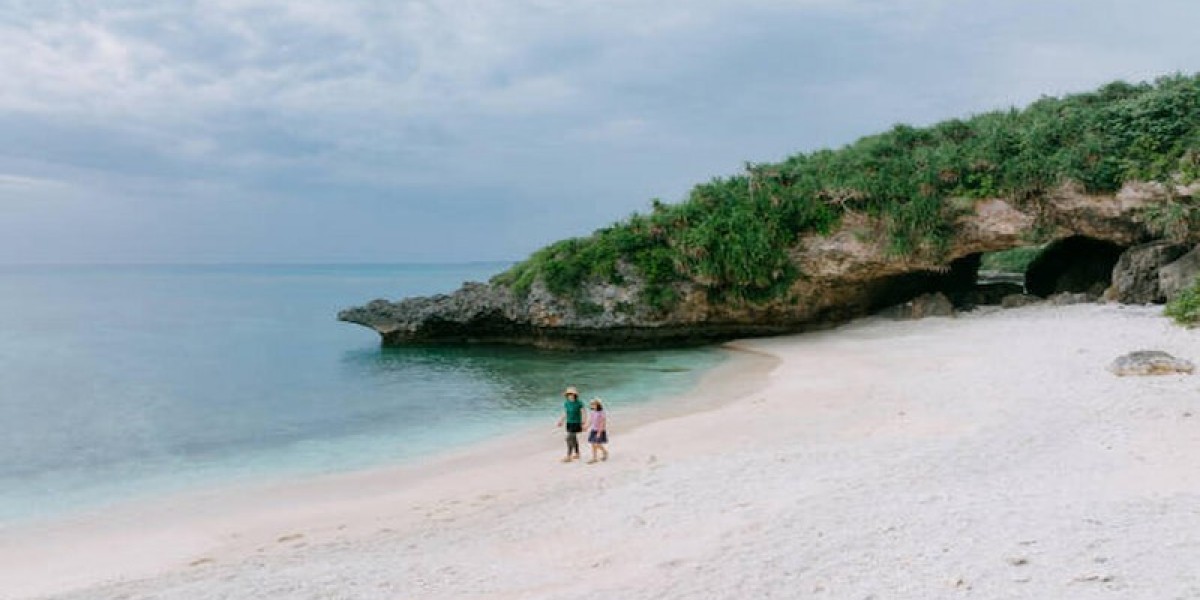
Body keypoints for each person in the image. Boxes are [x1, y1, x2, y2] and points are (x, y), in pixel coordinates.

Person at [556, 386, 584, 462]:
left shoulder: (579, 403)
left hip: (576, 423)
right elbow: (566, 413)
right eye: (568, 394)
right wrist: (561, 421)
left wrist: (584, 422)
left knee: (568, 438)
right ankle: (577, 454)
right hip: (569, 423)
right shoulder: (567, 403)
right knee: (573, 438)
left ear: (575, 395)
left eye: (571, 394)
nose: (570, 396)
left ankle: (569, 456)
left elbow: (583, 412)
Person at [585, 398, 608, 464]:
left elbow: (603, 423)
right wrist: (586, 427)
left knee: (597, 444)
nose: (592, 406)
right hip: (593, 430)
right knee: (593, 444)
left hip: (600, 430)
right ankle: (594, 458)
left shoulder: (602, 412)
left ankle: (605, 452)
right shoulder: (592, 412)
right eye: (591, 405)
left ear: (598, 405)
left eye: (594, 404)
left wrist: (599, 432)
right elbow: (591, 421)